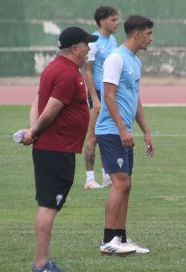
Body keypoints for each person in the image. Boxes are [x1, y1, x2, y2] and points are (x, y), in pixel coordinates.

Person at [21, 26, 98, 272]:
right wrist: (35, 132)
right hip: (56, 150)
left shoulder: (55, 68)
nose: (89, 48)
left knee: (48, 205)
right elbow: (51, 108)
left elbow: (37, 101)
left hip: (54, 148)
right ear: (75, 48)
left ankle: (42, 263)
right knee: (48, 206)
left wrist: (33, 130)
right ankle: (40, 265)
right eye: (86, 44)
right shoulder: (66, 73)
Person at [95, 15, 155, 256]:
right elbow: (108, 96)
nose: (151, 39)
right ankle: (108, 240)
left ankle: (120, 239)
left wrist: (146, 130)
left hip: (123, 132)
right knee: (120, 184)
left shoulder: (135, 61)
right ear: (137, 34)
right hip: (111, 132)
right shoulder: (116, 59)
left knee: (126, 186)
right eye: (149, 34)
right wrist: (122, 129)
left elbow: (135, 97)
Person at [83, 6, 119, 189]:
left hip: (108, 94)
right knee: (93, 137)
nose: (117, 23)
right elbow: (87, 71)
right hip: (97, 94)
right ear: (102, 21)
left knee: (107, 135)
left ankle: (106, 175)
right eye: (113, 19)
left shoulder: (112, 40)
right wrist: (95, 100)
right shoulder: (93, 42)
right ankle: (89, 179)